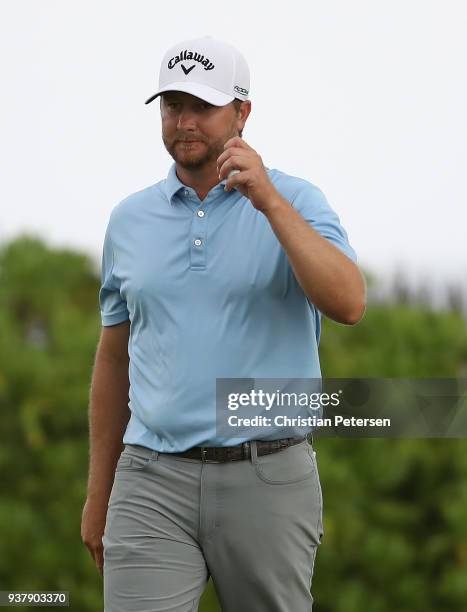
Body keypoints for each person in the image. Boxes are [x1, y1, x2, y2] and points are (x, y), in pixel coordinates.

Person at [81, 35, 366, 612]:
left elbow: (349, 304)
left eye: (202, 107)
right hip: (150, 480)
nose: (184, 122)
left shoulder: (297, 199)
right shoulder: (129, 219)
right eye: (171, 106)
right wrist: (98, 490)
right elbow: (114, 357)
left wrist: (269, 201)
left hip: (268, 478)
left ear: (242, 112)